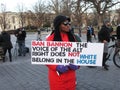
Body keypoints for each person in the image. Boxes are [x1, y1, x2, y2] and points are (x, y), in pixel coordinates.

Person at [46, 15, 80, 90]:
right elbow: (46, 58)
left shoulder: (72, 37)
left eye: (69, 23)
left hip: (71, 76)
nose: (68, 26)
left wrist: (78, 64)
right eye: (65, 23)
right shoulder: (51, 39)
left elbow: (78, 54)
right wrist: (56, 66)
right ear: (58, 25)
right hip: (57, 77)